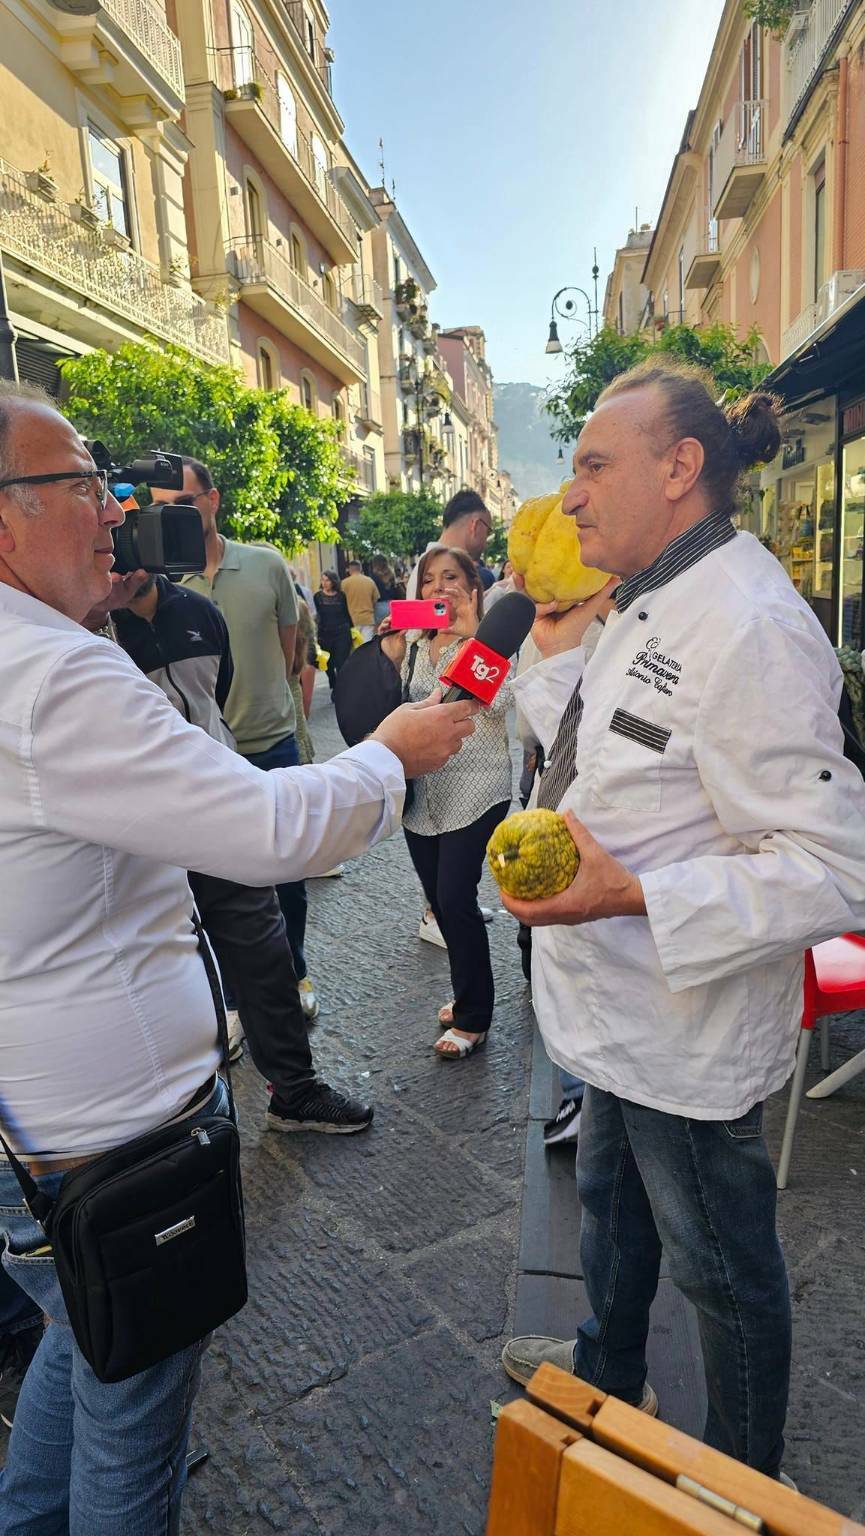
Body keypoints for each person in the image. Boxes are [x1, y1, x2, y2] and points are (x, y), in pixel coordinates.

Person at [0, 380, 476, 1532]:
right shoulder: (54, 677)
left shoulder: (48, 651)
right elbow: (270, 829)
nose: (115, 511)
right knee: (136, 1424)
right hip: (112, 1137)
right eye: (83, 484)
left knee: (78, 1337)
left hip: (34, 1135)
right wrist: (390, 754)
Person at [499, 361, 865, 1478]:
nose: (569, 497)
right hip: (614, 1008)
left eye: (593, 465)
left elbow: (832, 862)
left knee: (724, 1265)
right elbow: (622, 755)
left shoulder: (753, 622)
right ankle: (609, 1372)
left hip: (684, 1022)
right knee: (608, 1204)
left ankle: (743, 1472)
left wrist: (632, 893)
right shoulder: (651, 593)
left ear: (679, 467)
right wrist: (551, 657)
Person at [111, 572, 370, 1133]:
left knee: (263, 948)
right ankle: (166, 1129)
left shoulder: (197, 612)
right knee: (148, 967)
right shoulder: (88, 628)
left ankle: (294, 1093)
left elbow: (216, 693)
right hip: (135, 827)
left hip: (214, 805)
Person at [158, 458, 318, 1022]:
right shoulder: (162, 585)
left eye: (184, 500)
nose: (173, 513)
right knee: (218, 887)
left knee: (288, 878)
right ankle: (231, 1000)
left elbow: (289, 648)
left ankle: (294, 974)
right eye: (162, 505)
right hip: (203, 758)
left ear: (213, 499)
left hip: (270, 742)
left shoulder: (266, 565)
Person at [383, 545, 512, 1058]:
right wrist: (388, 652)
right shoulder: (416, 644)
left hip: (476, 790)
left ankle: (475, 1017)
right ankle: (464, 1000)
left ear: (473, 587)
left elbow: (498, 701)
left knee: (457, 898)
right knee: (441, 901)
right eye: (430, 580)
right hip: (426, 794)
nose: (439, 588)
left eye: (452, 578)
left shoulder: (491, 641)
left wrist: (468, 634)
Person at [404, 489, 492, 598]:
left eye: (449, 577)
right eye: (428, 580)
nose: (437, 587)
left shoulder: (424, 565)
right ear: (475, 526)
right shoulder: (425, 566)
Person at [314, 569, 353, 696]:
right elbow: (316, 616)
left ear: (333, 581)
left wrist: (352, 630)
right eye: (323, 580)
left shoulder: (341, 595)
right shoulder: (317, 597)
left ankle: (337, 691)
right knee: (328, 664)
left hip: (342, 632)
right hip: (325, 634)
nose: (325, 583)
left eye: (328, 580)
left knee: (341, 663)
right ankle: (333, 680)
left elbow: (346, 613)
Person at [340, 558, 379, 641]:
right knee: (367, 646)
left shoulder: (344, 583)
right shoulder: (370, 581)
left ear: (349, 570)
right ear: (360, 568)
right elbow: (375, 599)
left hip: (352, 619)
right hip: (368, 619)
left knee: (355, 647)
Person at [370, 553, 404, 627]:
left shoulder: (373, 577)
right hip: (392, 605)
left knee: (381, 630)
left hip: (379, 606)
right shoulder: (391, 574)